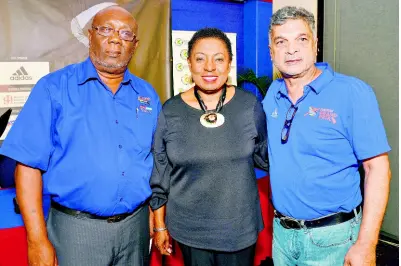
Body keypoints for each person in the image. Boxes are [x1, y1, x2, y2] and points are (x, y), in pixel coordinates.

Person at [0, 6, 160, 266]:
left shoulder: (148, 95)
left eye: (125, 33)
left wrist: (154, 211)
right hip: (76, 232)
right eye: (106, 29)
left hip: (136, 229)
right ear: (91, 35)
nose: (115, 39)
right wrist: (36, 240)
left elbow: (154, 159)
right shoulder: (54, 88)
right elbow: (27, 167)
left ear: (135, 44)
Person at [262, 6, 391, 266]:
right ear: (271, 51)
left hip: (334, 239)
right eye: (281, 42)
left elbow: (377, 169)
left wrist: (366, 244)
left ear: (315, 44)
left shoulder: (352, 93)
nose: (291, 49)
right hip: (283, 237)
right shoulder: (271, 96)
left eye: (301, 39)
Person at [150, 27, 269, 266]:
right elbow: (160, 172)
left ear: (229, 63)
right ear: (189, 63)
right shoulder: (171, 111)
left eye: (219, 59)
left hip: (239, 230)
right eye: (200, 59)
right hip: (190, 231)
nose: (209, 68)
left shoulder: (250, 106)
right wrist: (160, 225)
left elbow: (267, 157)